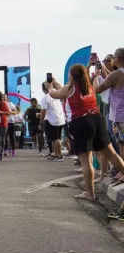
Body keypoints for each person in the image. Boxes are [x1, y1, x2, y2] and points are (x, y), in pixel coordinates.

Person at [49, 65, 124, 201]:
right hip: (97, 120)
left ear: (71, 76)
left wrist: (49, 87)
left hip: (80, 123)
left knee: (86, 160)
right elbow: (62, 89)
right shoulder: (90, 86)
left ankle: (90, 193)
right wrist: (55, 83)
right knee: (111, 154)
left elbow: (55, 94)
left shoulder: (70, 89)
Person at [95, 48, 124, 186]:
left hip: (120, 115)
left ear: (117, 59)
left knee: (122, 145)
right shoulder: (117, 74)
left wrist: (95, 77)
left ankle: (122, 173)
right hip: (119, 114)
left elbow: (98, 89)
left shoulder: (118, 74)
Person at [40, 82, 67, 161]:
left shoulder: (45, 98)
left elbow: (43, 112)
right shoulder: (56, 92)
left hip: (52, 120)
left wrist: (41, 122)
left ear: (43, 89)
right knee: (56, 138)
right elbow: (60, 87)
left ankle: (59, 155)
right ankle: (56, 153)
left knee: (55, 139)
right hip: (61, 118)